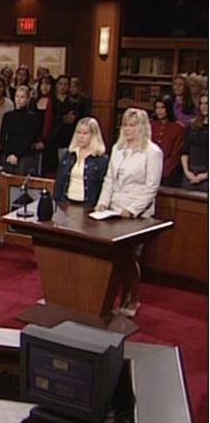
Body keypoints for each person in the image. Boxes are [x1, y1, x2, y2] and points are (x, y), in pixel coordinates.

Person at [95, 108, 163, 317]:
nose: (127, 129)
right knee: (111, 255)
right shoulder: (118, 148)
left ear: (142, 127)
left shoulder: (152, 152)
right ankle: (105, 297)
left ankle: (131, 299)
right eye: (125, 125)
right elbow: (109, 179)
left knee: (129, 257)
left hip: (138, 213)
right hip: (114, 210)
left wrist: (132, 210)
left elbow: (151, 188)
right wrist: (102, 202)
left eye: (132, 125)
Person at [53, 117, 109, 207]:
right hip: (65, 203)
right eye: (78, 132)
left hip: (88, 205)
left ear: (93, 135)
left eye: (85, 133)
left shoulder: (101, 159)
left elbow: (104, 186)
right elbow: (59, 181)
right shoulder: (69, 154)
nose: (81, 136)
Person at [0, 85, 38, 175]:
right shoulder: (8, 116)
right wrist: (9, 153)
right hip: (8, 155)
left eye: (22, 97)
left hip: (24, 156)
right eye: (17, 96)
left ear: (28, 99)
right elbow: (2, 136)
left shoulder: (32, 118)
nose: (19, 99)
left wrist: (16, 154)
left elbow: (29, 138)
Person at [150, 94, 185, 187]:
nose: (159, 111)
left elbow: (175, 154)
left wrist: (162, 171)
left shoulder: (178, 128)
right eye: (157, 108)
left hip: (168, 173)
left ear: (168, 109)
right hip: (148, 169)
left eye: (162, 108)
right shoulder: (150, 125)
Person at [28, 74, 57, 176]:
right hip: (33, 142)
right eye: (43, 84)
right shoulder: (33, 102)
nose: (45, 87)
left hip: (50, 144)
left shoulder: (55, 103)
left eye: (48, 84)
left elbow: (56, 126)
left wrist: (44, 142)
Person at [181, 93, 209, 192]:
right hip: (190, 174)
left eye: (207, 103)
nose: (204, 106)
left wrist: (205, 176)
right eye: (201, 103)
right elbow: (184, 152)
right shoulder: (191, 126)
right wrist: (187, 172)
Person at [53, 75, 78, 162]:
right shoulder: (51, 101)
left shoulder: (73, 103)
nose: (62, 87)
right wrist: (63, 119)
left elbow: (71, 120)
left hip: (66, 137)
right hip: (52, 138)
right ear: (56, 85)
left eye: (65, 84)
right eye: (60, 84)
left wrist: (61, 119)